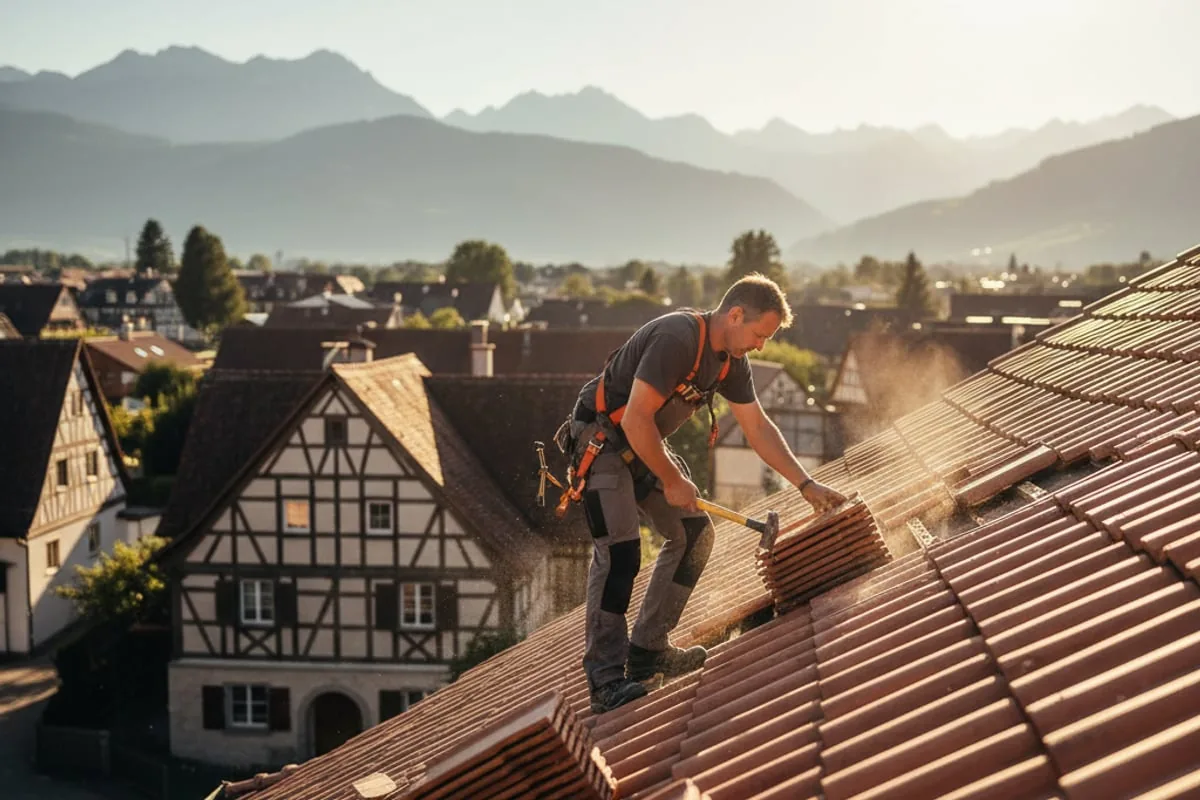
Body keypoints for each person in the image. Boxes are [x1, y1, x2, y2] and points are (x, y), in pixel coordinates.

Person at [564, 272, 847, 714]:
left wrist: (806, 485)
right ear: (735, 314)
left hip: (642, 445)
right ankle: (604, 680)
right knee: (620, 552)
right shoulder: (677, 339)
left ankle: (648, 652)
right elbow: (637, 419)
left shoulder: (731, 361)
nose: (761, 346)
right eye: (759, 334)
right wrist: (673, 480)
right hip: (601, 444)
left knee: (695, 535)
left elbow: (757, 428)